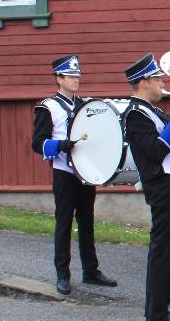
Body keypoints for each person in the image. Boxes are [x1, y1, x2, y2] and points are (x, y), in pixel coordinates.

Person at [121, 53, 170, 321]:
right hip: (160, 185)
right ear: (143, 83)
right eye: (158, 79)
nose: (163, 84)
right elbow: (155, 151)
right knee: (162, 252)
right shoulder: (136, 114)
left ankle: (164, 310)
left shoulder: (154, 112)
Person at [31, 54, 117, 295]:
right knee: (64, 222)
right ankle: (62, 273)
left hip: (85, 171)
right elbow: (37, 143)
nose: (75, 80)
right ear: (58, 78)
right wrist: (60, 146)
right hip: (64, 172)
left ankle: (91, 271)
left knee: (87, 221)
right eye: (70, 76)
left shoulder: (85, 105)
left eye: (77, 76)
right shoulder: (48, 106)